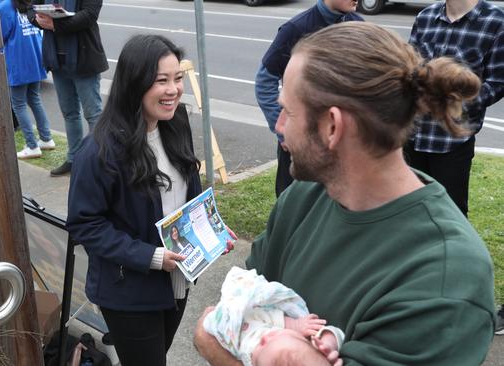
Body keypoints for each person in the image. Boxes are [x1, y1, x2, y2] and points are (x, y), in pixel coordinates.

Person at [194, 22, 495, 365]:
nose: (278, 126)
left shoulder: (445, 280)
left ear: (333, 126)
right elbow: (245, 300)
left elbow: (222, 329)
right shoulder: (303, 198)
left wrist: (208, 341)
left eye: (288, 112)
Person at [67, 35, 234, 366]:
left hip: (177, 276)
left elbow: (188, 185)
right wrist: (152, 256)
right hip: (129, 288)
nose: (173, 89)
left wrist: (210, 228)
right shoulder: (99, 151)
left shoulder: (176, 123)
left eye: (177, 78)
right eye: (162, 81)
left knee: (156, 355)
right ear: (135, 83)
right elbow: (85, 224)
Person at [255, 0, 362, 198]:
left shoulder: (359, 27)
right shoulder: (296, 28)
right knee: (293, 205)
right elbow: (264, 82)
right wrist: (285, 132)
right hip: (300, 143)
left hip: (340, 143)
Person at [407, 0, 504, 216]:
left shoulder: (496, 22)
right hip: (413, 136)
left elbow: (497, 82)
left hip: (452, 142)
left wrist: (453, 103)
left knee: (450, 214)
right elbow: (409, 70)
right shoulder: (425, 17)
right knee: (411, 211)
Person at [203, 266, 343, 366]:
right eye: (279, 335)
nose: (264, 338)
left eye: (258, 356)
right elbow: (336, 333)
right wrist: (327, 344)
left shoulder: (241, 350)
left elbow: (213, 323)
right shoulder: (304, 348)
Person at [30, 0, 108, 176]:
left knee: (93, 114)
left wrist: (56, 24)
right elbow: (30, 8)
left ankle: (98, 162)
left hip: (84, 58)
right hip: (56, 59)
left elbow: (89, 15)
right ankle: (73, 159)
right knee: (69, 113)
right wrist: (37, 20)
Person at [0, 0, 55, 159]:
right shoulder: (32, 2)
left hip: (18, 60)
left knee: (18, 103)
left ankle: (32, 145)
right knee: (34, 98)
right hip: (35, 56)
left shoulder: (5, 7)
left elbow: (0, 35)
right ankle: (46, 138)